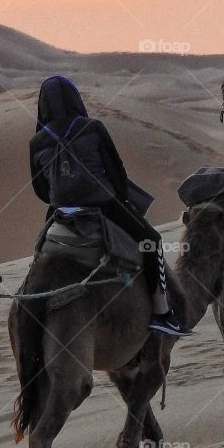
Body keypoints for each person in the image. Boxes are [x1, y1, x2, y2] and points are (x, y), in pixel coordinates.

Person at [29, 76, 189, 337]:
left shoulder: (37, 142)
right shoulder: (92, 128)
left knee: (39, 253)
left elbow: (40, 191)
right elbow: (116, 171)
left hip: (62, 211)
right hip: (102, 205)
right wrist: (121, 198)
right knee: (151, 240)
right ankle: (162, 313)